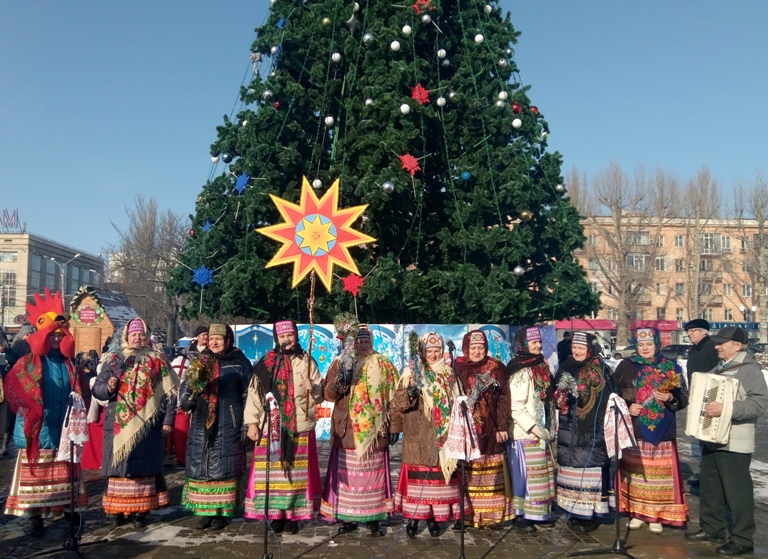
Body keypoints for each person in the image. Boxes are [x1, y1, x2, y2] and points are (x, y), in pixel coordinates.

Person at [3, 289, 90, 538]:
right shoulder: (29, 363)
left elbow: (82, 393)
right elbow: (14, 388)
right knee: (38, 478)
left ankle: (70, 513)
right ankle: (36, 519)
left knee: (66, 474)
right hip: (38, 429)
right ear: (43, 335)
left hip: (64, 428)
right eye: (50, 335)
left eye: (58, 335)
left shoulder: (69, 364)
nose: (54, 339)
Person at [684, 326, 768, 556]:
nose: (717, 346)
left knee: (737, 492)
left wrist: (726, 408)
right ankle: (713, 528)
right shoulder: (719, 368)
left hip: (735, 442)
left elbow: (760, 404)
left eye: (722, 343)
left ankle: (743, 538)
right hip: (712, 438)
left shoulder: (750, 370)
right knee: (711, 488)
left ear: (737, 346)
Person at [92, 317, 178, 529]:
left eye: (141, 334)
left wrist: (168, 420)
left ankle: (141, 511)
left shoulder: (157, 359)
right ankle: (117, 511)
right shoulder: (114, 359)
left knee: (143, 468)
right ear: (126, 336)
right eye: (134, 334)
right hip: (117, 423)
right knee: (118, 468)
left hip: (148, 426)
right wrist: (109, 388)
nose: (138, 338)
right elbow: (97, 389)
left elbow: (170, 393)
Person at [244, 320, 324, 534]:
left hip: (299, 426)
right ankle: (274, 514)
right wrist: (252, 423)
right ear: (276, 338)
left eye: (290, 335)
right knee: (273, 474)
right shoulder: (266, 363)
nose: (286, 340)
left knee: (295, 476)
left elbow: (319, 396)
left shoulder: (307, 361)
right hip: (271, 426)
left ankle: (293, 516)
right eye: (282, 336)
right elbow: (255, 395)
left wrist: (314, 388)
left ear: (296, 336)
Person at [320, 323, 399, 537]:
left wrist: (395, 425)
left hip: (375, 431)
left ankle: (374, 518)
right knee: (348, 477)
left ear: (372, 342)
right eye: (359, 341)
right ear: (352, 342)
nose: (363, 345)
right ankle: (347, 518)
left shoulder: (383, 364)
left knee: (373, 477)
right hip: (347, 429)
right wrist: (341, 379)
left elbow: (395, 397)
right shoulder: (340, 361)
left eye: (366, 341)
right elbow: (328, 395)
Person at [612, 327, 688, 534]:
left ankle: (657, 515)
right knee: (637, 474)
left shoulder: (671, 367)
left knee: (658, 477)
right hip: (635, 429)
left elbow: (684, 397)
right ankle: (636, 512)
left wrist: (671, 398)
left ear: (656, 344)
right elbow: (613, 394)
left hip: (662, 431)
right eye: (641, 344)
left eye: (649, 344)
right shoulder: (625, 366)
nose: (645, 348)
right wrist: (627, 407)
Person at [392, 331, 466, 538]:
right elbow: (398, 403)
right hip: (418, 435)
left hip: (442, 435)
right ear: (422, 352)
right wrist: (410, 393)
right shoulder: (411, 372)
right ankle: (414, 518)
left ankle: (434, 519)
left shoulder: (449, 374)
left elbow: (459, 402)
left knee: (439, 481)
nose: (433, 355)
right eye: (429, 351)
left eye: (437, 351)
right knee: (418, 482)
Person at [180, 323, 252, 530]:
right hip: (201, 422)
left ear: (228, 340)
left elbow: (249, 394)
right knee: (202, 464)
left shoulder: (239, 363)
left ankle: (222, 512)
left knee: (224, 466)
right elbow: (187, 386)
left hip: (229, 422)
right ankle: (205, 511)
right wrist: (187, 401)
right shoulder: (200, 362)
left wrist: (247, 423)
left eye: (218, 339)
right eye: (211, 339)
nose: (214, 342)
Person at [551, 331, 613, 533]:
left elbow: (607, 397)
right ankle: (574, 512)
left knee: (589, 470)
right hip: (569, 427)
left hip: (590, 430)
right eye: (574, 348)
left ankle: (591, 515)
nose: (577, 351)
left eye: (581, 348)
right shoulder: (567, 366)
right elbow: (556, 391)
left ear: (590, 349)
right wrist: (559, 396)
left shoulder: (599, 369)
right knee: (571, 470)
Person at [454, 329, 512, 528]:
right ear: (465, 349)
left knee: (490, 470)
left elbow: (504, 397)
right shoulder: (457, 367)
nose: (477, 352)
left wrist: (502, 425)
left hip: (491, 426)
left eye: (481, 347)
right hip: (465, 428)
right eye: (473, 348)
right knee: (466, 472)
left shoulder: (495, 367)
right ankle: (468, 516)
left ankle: (491, 516)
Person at [505, 326, 556, 532]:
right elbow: (516, 407)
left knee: (539, 475)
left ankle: (538, 513)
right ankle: (521, 516)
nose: (538, 346)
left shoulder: (540, 366)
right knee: (525, 476)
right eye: (533, 342)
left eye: (539, 342)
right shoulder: (519, 369)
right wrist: (535, 428)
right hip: (524, 433)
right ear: (523, 345)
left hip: (540, 431)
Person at [168, 325, 209, 467]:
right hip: (186, 396)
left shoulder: (211, 354)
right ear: (197, 336)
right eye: (203, 334)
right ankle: (184, 458)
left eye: (207, 334)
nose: (205, 336)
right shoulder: (186, 354)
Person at [684, 319, 719, 388]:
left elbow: (718, 370)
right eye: (688, 331)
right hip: (696, 391)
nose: (689, 334)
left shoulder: (712, 347)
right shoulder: (695, 347)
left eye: (693, 330)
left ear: (703, 332)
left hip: (708, 391)